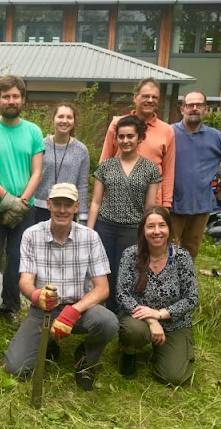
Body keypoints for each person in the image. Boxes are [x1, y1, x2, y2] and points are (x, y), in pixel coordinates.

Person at [4, 183, 118, 391]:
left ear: (77, 207)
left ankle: (85, 357)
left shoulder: (90, 237)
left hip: (80, 309)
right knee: (16, 369)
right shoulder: (31, 235)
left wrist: (73, 312)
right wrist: (36, 295)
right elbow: (25, 282)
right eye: (57, 204)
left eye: (68, 204)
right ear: (48, 204)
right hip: (43, 310)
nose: (62, 210)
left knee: (108, 322)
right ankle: (49, 343)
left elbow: (102, 288)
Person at [0, 75, 44, 330]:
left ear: (23, 99)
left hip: (25, 208)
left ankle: (11, 308)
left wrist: (22, 202)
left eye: (16, 96)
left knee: (18, 259)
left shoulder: (33, 131)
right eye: (6, 96)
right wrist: (8, 200)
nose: (11, 101)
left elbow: (37, 172)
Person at [116, 206, 198, 386]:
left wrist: (160, 314)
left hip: (174, 322)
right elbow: (122, 294)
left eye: (162, 225)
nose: (157, 231)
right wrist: (152, 320)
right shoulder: (130, 254)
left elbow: (191, 298)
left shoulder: (182, 257)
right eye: (150, 226)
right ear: (143, 230)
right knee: (133, 331)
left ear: (169, 228)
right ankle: (129, 351)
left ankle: (164, 353)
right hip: (139, 319)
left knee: (174, 377)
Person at [88, 115, 161, 313]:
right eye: (121, 136)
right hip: (106, 227)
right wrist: (89, 231)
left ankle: (126, 312)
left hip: (133, 229)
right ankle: (107, 312)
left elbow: (150, 208)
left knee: (129, 272)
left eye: (130, 136)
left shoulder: (150, 169)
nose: (125, 141)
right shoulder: (105, 167)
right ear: (116, 139)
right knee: (106, 272)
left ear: (139, 138)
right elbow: (95, 202)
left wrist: (148, 232)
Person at [171, 91, 221, 260]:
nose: (194, 108)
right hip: (172, 203)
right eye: (190, 105)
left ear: (205, 109)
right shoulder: (170, 133)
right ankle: (165, 276)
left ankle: (186, 276)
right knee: (167, 247)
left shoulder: (216, 137)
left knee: (191, 248)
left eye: (198, 105)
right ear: (182, 110)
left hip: (201, 204)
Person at [100, 78, 175, 209]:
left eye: (154, 97)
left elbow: (168, 171)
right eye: (146, 96)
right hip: (118, 200)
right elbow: (104, 161)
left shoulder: (167, 131)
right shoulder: (118, 124)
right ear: (135, 97)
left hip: (151, 204)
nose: (150, 100)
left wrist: (166, 205)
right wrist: (101, 197)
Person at [34, 102, 89, 224]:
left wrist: (83, 217)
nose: (64, 121)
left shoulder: (81, 150)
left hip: (67, 209)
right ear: (53, 119)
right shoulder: (40, 145)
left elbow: (82, 185)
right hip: (39, 208)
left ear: (74, 121)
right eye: (60, 116)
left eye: (69, 117)